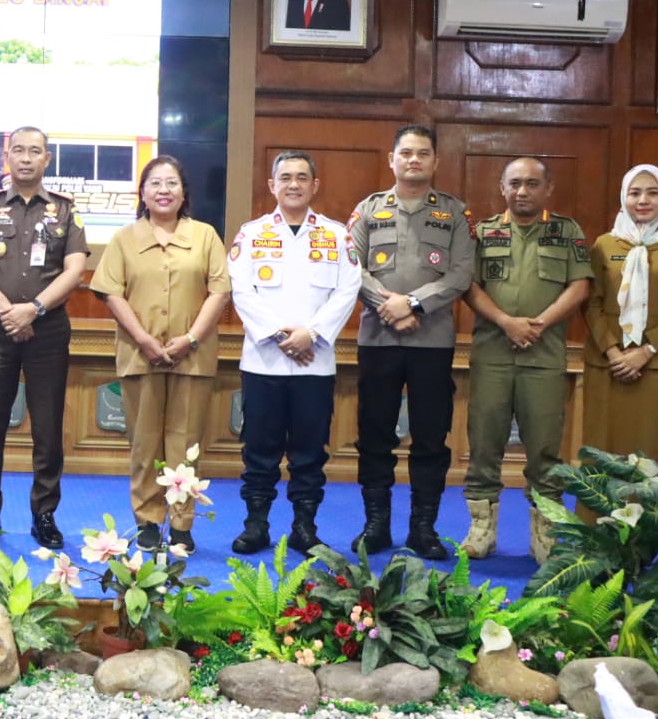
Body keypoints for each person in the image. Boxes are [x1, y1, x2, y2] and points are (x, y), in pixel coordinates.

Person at [90, 156, 230, 553]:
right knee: (145, 443)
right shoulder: (124, 238)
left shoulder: (205, 236)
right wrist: (145, 341)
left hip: (194, 355)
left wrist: (189, 339)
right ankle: (149, 521)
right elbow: (111, 293)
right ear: (143, 193)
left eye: (171, 183)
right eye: (155, 183)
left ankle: (182, 524)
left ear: (184, 193)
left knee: (185, 444)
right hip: (140, 354)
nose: (163, 190)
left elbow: (219, 292)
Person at [348, 124, 475, 560]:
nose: (414, 160)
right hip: (378, 339)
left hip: (432, 342)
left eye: (423, 153)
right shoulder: (368, 210)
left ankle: (424, 528)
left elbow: (460, 274)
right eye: (406, 153)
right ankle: (376, 525)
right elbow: (352, 267)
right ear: (392, 159)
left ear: (436, 161)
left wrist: (414, 304)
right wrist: (389, 306)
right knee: (374, 435)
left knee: (430, 437)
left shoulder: (454, 214)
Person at [0, 126, 87, 549]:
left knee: (48, 429)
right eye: (19, 151)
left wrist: (32, 310)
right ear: (7, 158)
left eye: (36, 151)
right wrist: (7, 312)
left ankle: (45, 515)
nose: (27, 158)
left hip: (48, 330)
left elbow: (74, 270)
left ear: (47, 159)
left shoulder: (66, 211)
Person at [459, 156, 592, 563]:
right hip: (493, 355)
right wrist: (506, 322)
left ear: (547, 188)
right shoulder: (482, 233)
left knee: (545, 449)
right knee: (484, 443)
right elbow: (469, 286)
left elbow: (580, 285)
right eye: (514, 183)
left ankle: (546, 532)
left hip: (544, 356)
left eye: (532, 183)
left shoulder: (566, 231)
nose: (522, 191)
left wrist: (537, 324)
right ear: (502, 188)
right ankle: (482, 529)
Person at [228, 152, 359, 555]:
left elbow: (348, 289)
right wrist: (277, 335)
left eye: (303, 177)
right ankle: (256, 525)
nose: (294, 184)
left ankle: (305, 527)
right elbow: (241, 289)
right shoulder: (251, 234)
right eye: (285, 177)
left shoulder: (337, 235)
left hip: (314, 364)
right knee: (258, 449)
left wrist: (312, 333)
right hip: (263, 361)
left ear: (315, 185)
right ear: (272, 185)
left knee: (308, 453)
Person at [583, 164, 658, 472]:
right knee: (603, 450)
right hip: (608, 364)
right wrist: (614, 352)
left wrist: (645, 351)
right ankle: (600, 520)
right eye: (635, 193)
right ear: (624, 197)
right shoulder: (605, 244)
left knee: (653, 450)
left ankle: (650, 521)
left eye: (653, 192)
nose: (643, 200)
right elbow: (591, 303)